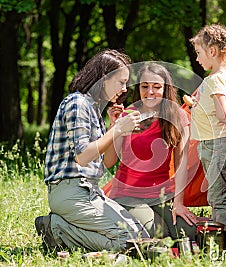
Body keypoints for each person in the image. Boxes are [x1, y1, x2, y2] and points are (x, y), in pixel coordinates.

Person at [35, 49, 149, 252]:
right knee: (132, 243)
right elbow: (82, 156)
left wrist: (115, 128)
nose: (124, 89)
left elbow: (107, 162)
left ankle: (62, 228)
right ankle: (57, 228)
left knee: (141, 237)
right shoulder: (77, 103)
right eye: (121, 82)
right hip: (70, 190)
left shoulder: (94, 108)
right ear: (104, 78)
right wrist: (118, 130)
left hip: (90, 190)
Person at [104, 62, 198, 242]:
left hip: (161, 195)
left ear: (166, 88)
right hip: (127, 195)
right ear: (138, 88)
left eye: (157, 87)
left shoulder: (178, 115)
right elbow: (109, 162)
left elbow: (181, 162)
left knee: (189, 232)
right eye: (145, 86)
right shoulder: (127, 115)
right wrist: (114, 128)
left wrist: (178, 203)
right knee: (158, 232)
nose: (150, 92)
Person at [188, 24, 226, 242]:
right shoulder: (222, 77)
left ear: (212, 52)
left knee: (217, 195)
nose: (198, 59)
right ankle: (223, 234)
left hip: (216, 143)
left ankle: (223, 240)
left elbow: (220, 113)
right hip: (212, 142)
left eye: (199, 53)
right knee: (216, 191)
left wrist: (200, 108)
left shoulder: (215, 78)